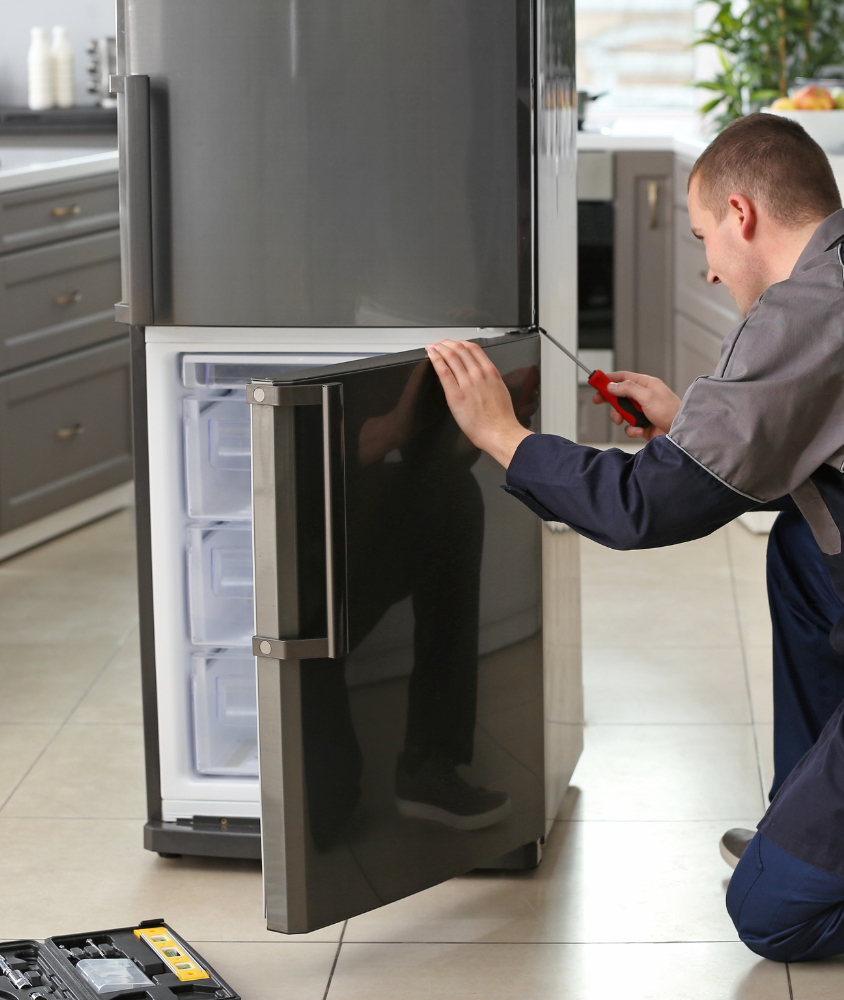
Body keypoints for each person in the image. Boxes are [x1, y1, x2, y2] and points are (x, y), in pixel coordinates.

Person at [425, 111, 844, 963]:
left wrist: (504, 436)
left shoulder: (806, 309)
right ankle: (806, 825)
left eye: (704, 237)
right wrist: (692, 420)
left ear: (742, 214)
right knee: (801, 554)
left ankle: (801, 866)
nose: (707, 263)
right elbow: (797, 424)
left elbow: (644, 509)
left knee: (768, 914)